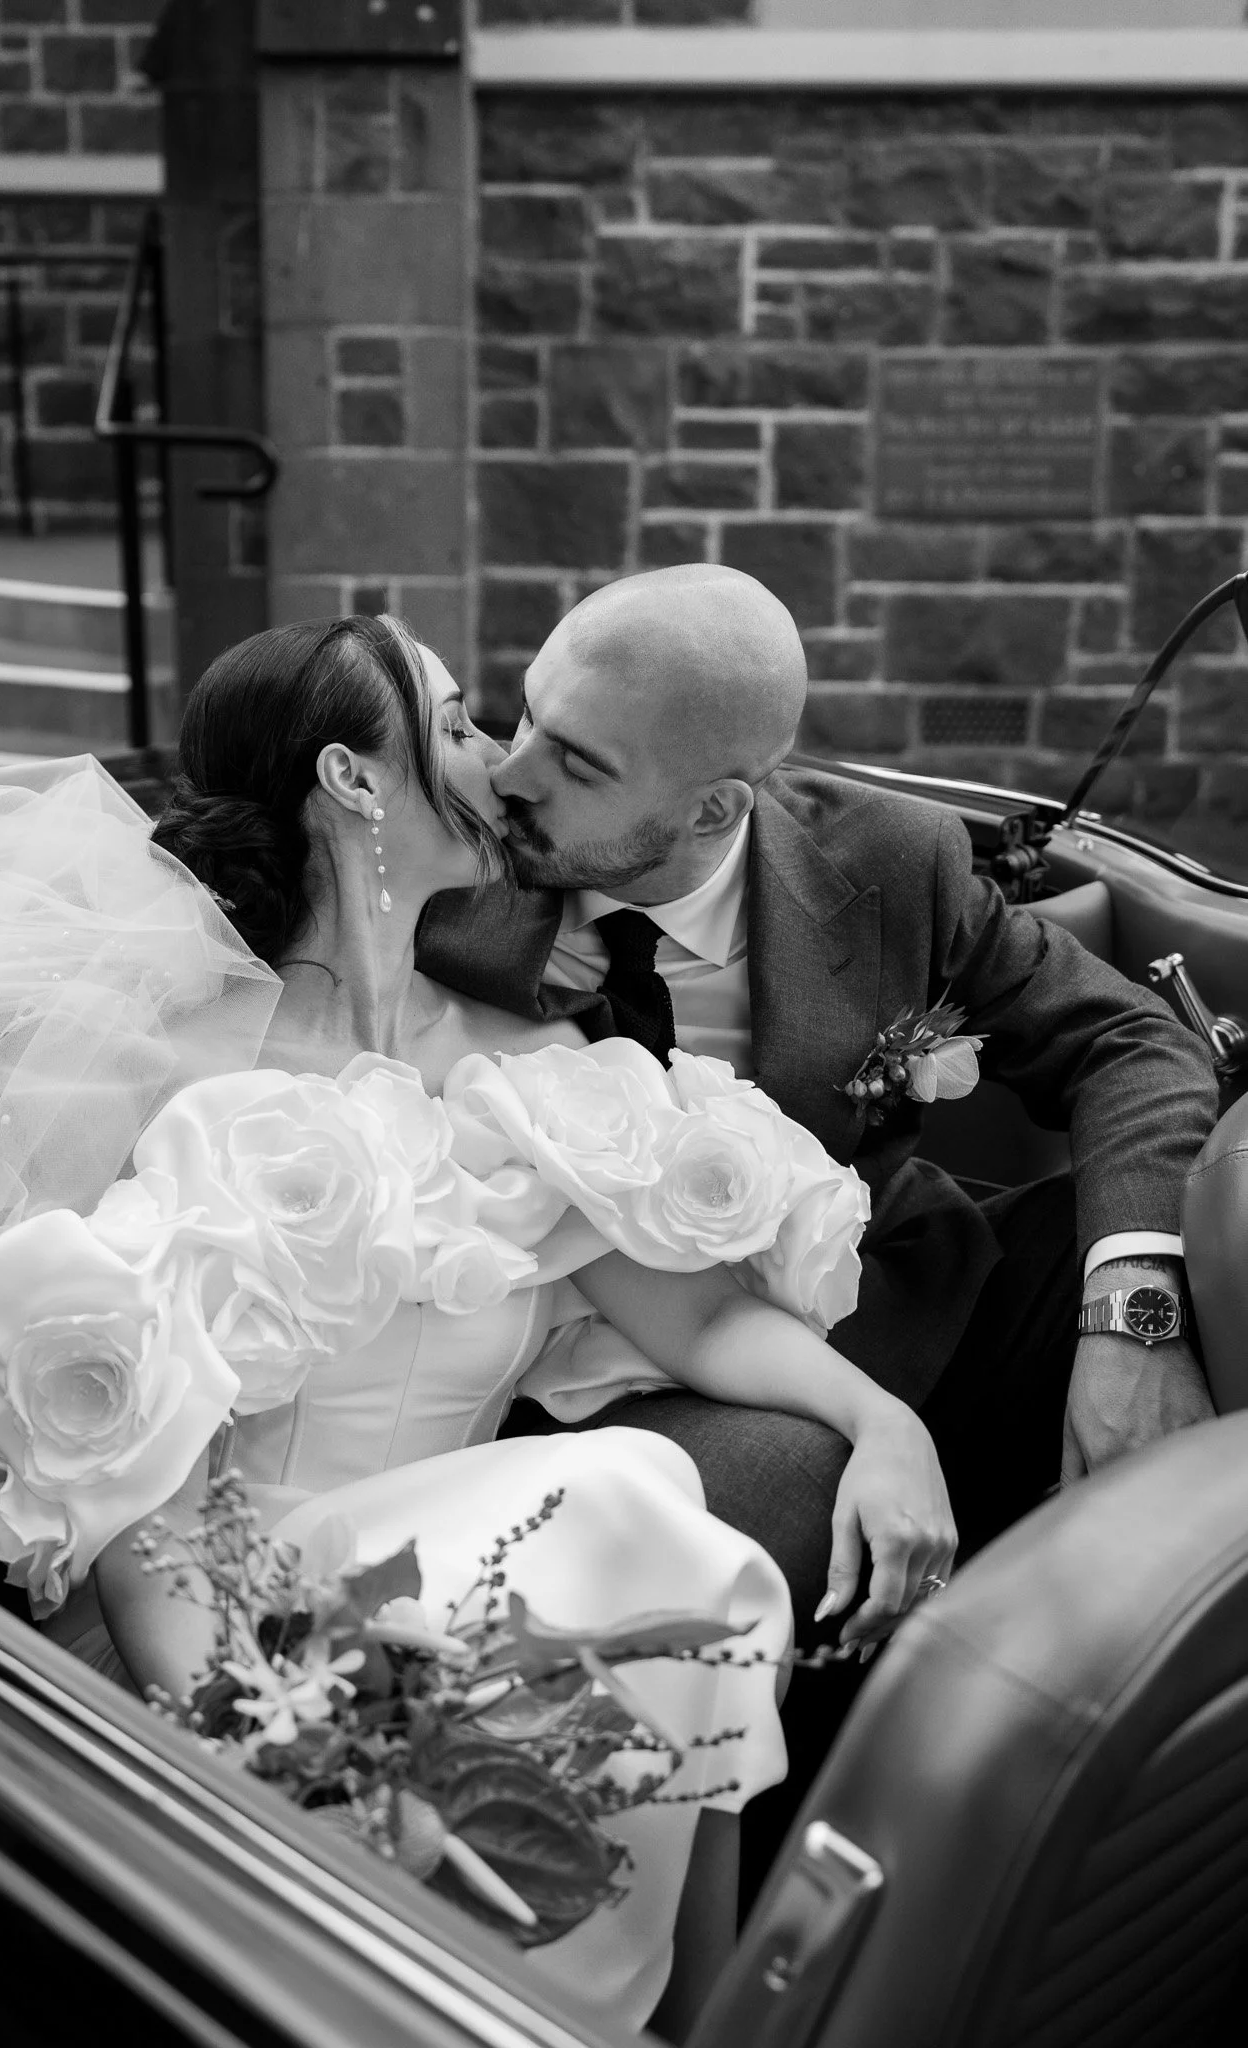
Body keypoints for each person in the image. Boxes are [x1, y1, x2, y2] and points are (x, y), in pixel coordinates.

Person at [0, 615, 953, 2035]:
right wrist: (260, 1726)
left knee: (661, 1535)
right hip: (225, 1633)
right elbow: (128, 1469)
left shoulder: (526, 1069)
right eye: (457, 723)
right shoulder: (156, 1069)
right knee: (622, 1499)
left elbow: (691, 1322)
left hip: (476, 1597)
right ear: (354, 780)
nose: (504, 763)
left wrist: (886, 1422)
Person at [416, 563, 1221, 1869]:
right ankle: (850, 1869)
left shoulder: (888, 860)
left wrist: (1134, 1322)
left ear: (719, 804)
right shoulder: (460, 898)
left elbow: (1131, 1045)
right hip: (639, 1374)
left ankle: (1163, 1726)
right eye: (519, 718)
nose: (512, 775)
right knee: (758, 1513)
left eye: (575, 759)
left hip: (911, 1291)